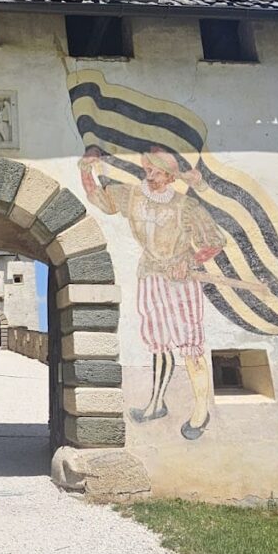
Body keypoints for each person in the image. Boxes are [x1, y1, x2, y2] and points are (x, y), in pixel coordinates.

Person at [79, 145, 225, 440]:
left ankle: (200, 410)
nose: (149, 170)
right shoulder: (132, 195)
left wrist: (191, 261)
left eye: (156, 167)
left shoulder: (186, 206)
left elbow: (214, 240)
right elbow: (100, 199)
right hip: (150, 276)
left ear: (170, 175)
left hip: (181, 281)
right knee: (158, 345)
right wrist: (86, 171)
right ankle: (157, 403)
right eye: (148, 165)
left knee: (190, 346)